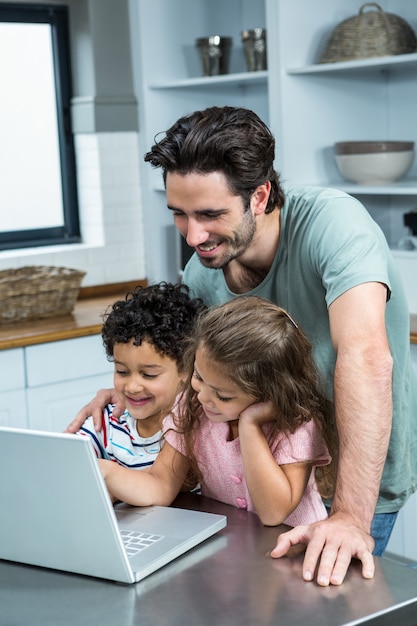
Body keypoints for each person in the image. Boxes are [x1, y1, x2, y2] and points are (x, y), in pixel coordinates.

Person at [66, 106, 417, 587]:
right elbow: (190, 374)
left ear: (260, 195)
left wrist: (353, 515)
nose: (194, 236)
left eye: (210, 214)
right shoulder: (202, 272)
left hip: (353, 483)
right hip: (255, 490)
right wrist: (130, 391)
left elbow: (366, 357)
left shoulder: (333, 227)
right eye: (180, 215)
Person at [97, 296, 337, 528]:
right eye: (198, 377)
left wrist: (250, 425)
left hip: (296, 551)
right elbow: (160, 485)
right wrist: (106, 471)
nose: (203, 397)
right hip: (237, 548)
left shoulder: (296, 425)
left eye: (222, 396)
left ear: (269, 394)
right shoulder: (192, 407)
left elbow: (273, 514)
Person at [77, 282, 205, 469]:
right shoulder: (107, 422)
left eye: (149, 374)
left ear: (187, 370)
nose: (132, 387)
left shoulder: (196, 429)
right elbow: (67, 462)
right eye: (122, 371)